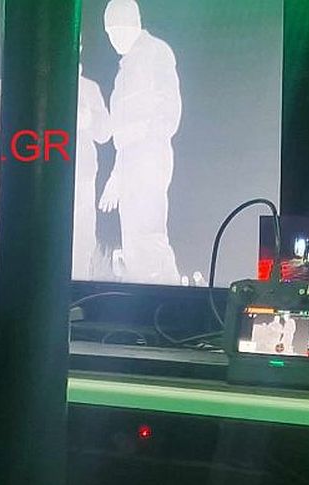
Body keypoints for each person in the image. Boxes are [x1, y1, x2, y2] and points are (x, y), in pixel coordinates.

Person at [98, 0, 182, 284]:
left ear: (133, 25)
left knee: (148, 238)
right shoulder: (126, 67)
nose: (114, 39)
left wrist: (146, 140)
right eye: (110, 33)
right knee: (135, 242)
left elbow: (168, 109)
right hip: (132, 160)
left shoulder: (155, 52)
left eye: (118, 30)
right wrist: (117, 175)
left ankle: (169, 298)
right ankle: (145, 296)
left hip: (148, 157)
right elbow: (123, 135)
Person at [73, 62, 112, 281]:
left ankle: (78, 284)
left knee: (82, 236)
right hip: (43, 176)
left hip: (81, 174)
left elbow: (104, 132)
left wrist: (88, 118)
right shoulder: (38, 84)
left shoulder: (88, 88)